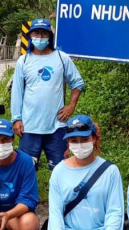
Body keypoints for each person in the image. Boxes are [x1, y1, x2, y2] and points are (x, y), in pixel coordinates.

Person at [44, 115, 124, 230]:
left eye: (84, 139)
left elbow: (115, 211)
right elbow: (55, 213)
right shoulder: (59, 172)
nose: (79, 145)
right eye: (74, 140)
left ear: (94, 139)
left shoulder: (110, 171)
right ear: (68, 143)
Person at [11, 19, 85, 170]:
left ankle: (58, 195)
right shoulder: (23, 61)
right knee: (26, 171)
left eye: (44, 33)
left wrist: (71, 106)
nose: (40, 37)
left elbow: (77, 83)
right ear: (30, 35)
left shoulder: (61, 58)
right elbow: (17, 91)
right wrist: (16, 119)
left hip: (56, 127)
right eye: (36, 33)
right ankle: (28, 195)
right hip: (29, 126)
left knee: (61, 171)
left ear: (50, 36)